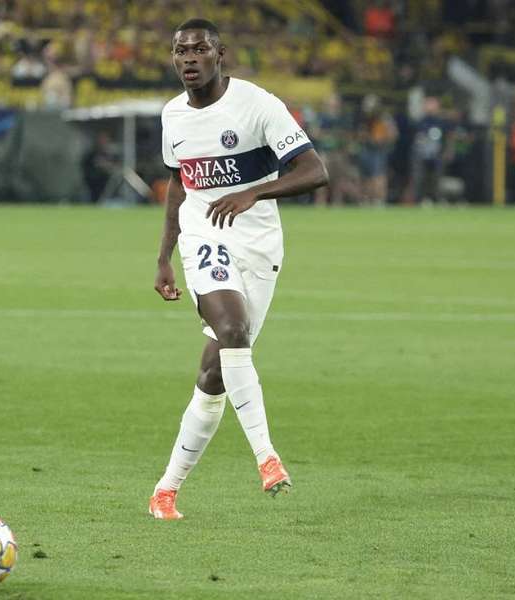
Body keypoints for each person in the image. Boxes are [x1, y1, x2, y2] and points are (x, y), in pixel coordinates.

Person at [149, 19, 328, 520]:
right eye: (180, 50)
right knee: (233, 329)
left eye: (199, 49)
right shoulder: (173, 117)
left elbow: (316, 171)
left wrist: (254, 191)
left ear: (219, 53)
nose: (188, 58)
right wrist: (165, 256)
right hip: (204, 234)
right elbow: (179, 186)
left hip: (258, 243)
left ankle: (165, 490)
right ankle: (267, 457)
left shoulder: (258, 105)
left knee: (214, 376)